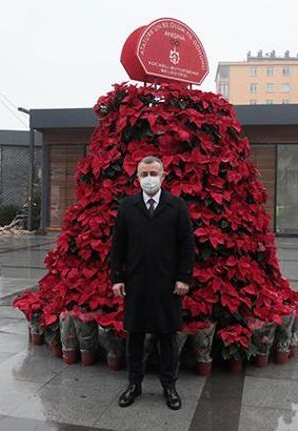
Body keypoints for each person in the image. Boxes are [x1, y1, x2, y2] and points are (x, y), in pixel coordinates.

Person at [110, 155, 195, 410]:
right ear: (137, 178)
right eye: (144, 174)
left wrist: (184, 277)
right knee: (134, 335)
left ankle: (169, 386)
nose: (149, 178)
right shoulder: (127, 206)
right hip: (136, 283)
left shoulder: (176, 205)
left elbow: (187, 246)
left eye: (153, 173)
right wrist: (117, 278)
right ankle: (134, 385)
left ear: (163, 176)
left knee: (167, 336)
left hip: (167, 284)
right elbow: (118, 246)